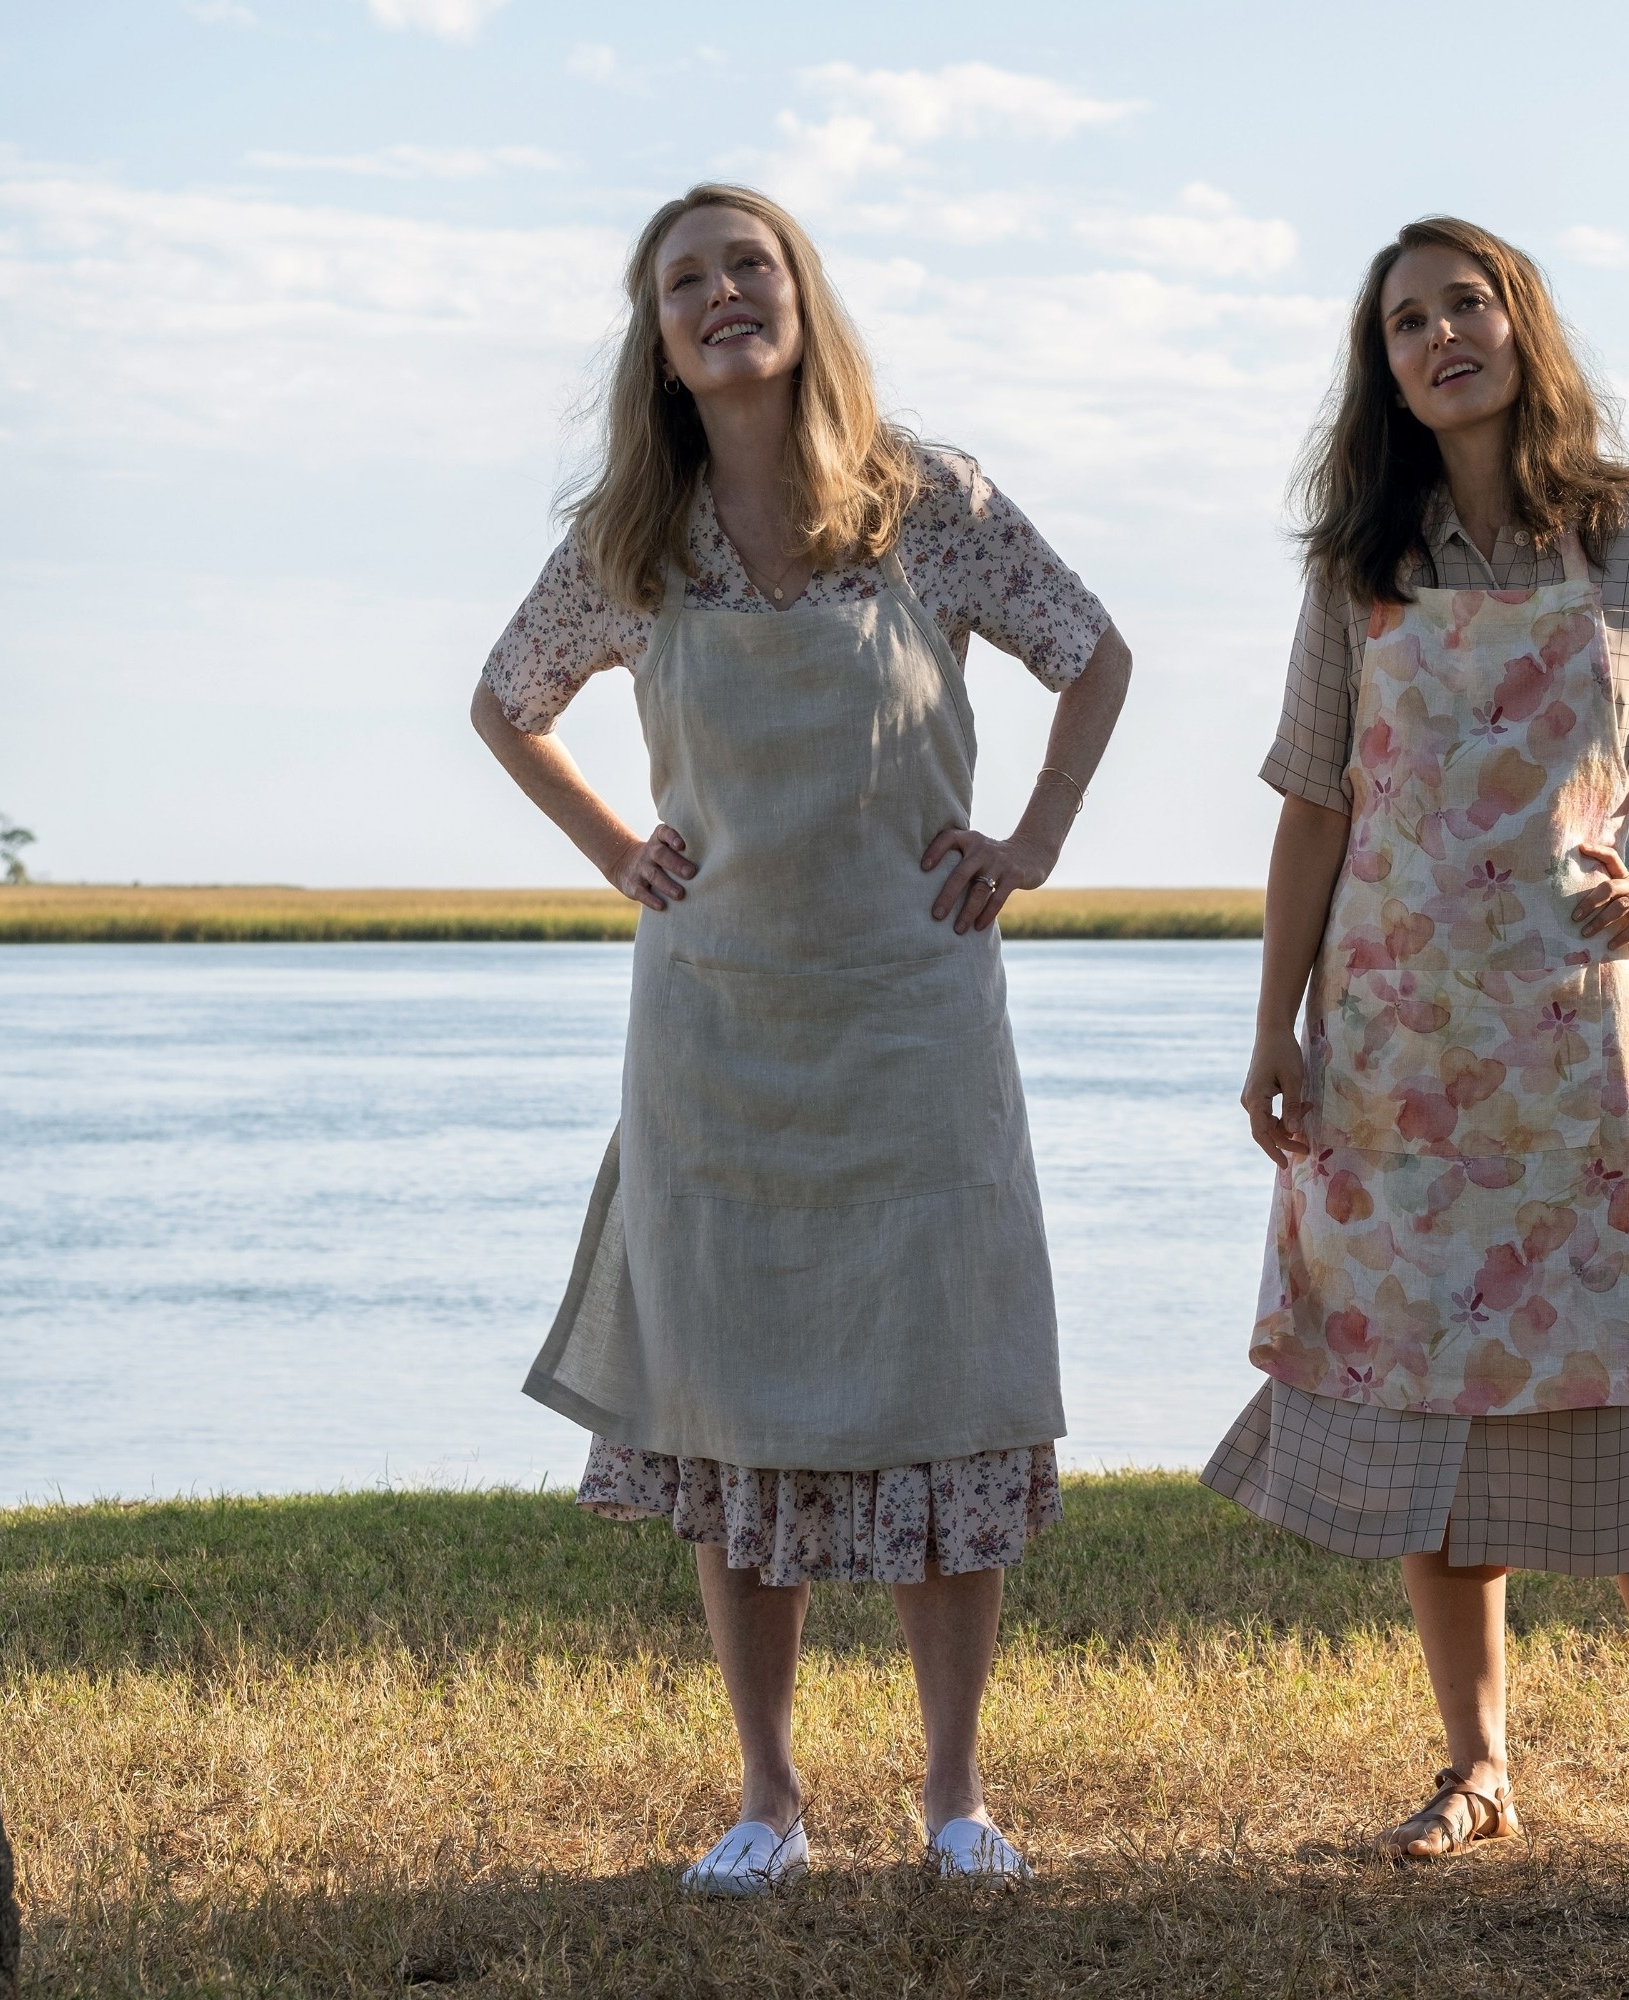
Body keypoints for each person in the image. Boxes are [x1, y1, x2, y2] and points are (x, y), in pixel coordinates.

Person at [471, 183, 1133, 1893]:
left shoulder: (931, 502)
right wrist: (619, 848)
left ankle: (956, 1798)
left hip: (917, 1026)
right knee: (728, 1405)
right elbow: (506, 702)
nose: (720, 299)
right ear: (660, 337)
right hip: (715, 1040)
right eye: (684, 283)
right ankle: (767, 1798)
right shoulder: (638, 534)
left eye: (746, 268)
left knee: (948, 1386)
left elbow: (1095, 653)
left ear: (801, 296)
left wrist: (1034, 841)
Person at [1207, 215, 1629, 1873]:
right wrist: (1276, 1028)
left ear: (1525, 325)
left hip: (1569, 1043)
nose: (1441, 339)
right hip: (1384, 1039)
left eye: (1467, 307)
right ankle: (1477, 1770)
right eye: (1405, 324)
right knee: (1432, 1411)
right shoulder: (1364, 560)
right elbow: (1315, 804)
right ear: (1381, 368)